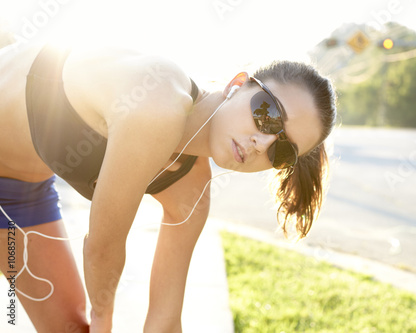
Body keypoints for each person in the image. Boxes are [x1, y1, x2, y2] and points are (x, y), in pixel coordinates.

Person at [0, 40, 336, 332]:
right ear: (238, 84)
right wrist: (103, 319)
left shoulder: (192, 190)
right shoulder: (158, 102)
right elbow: (103, 248)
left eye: (282, 150)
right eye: (268, 114)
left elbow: (164, 321)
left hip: (19, 197)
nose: (261, 143)